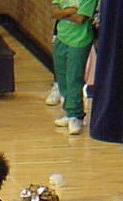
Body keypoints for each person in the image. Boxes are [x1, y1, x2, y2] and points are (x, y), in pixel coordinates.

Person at [51, 0, 98, 135]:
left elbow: (80, 19)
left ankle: (75, 115)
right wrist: (70, 11)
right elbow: (53, 12)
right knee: (62, 75)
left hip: (79, 40)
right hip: (62, 37)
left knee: (74, 77)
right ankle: (69, 110)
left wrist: (62, 13)